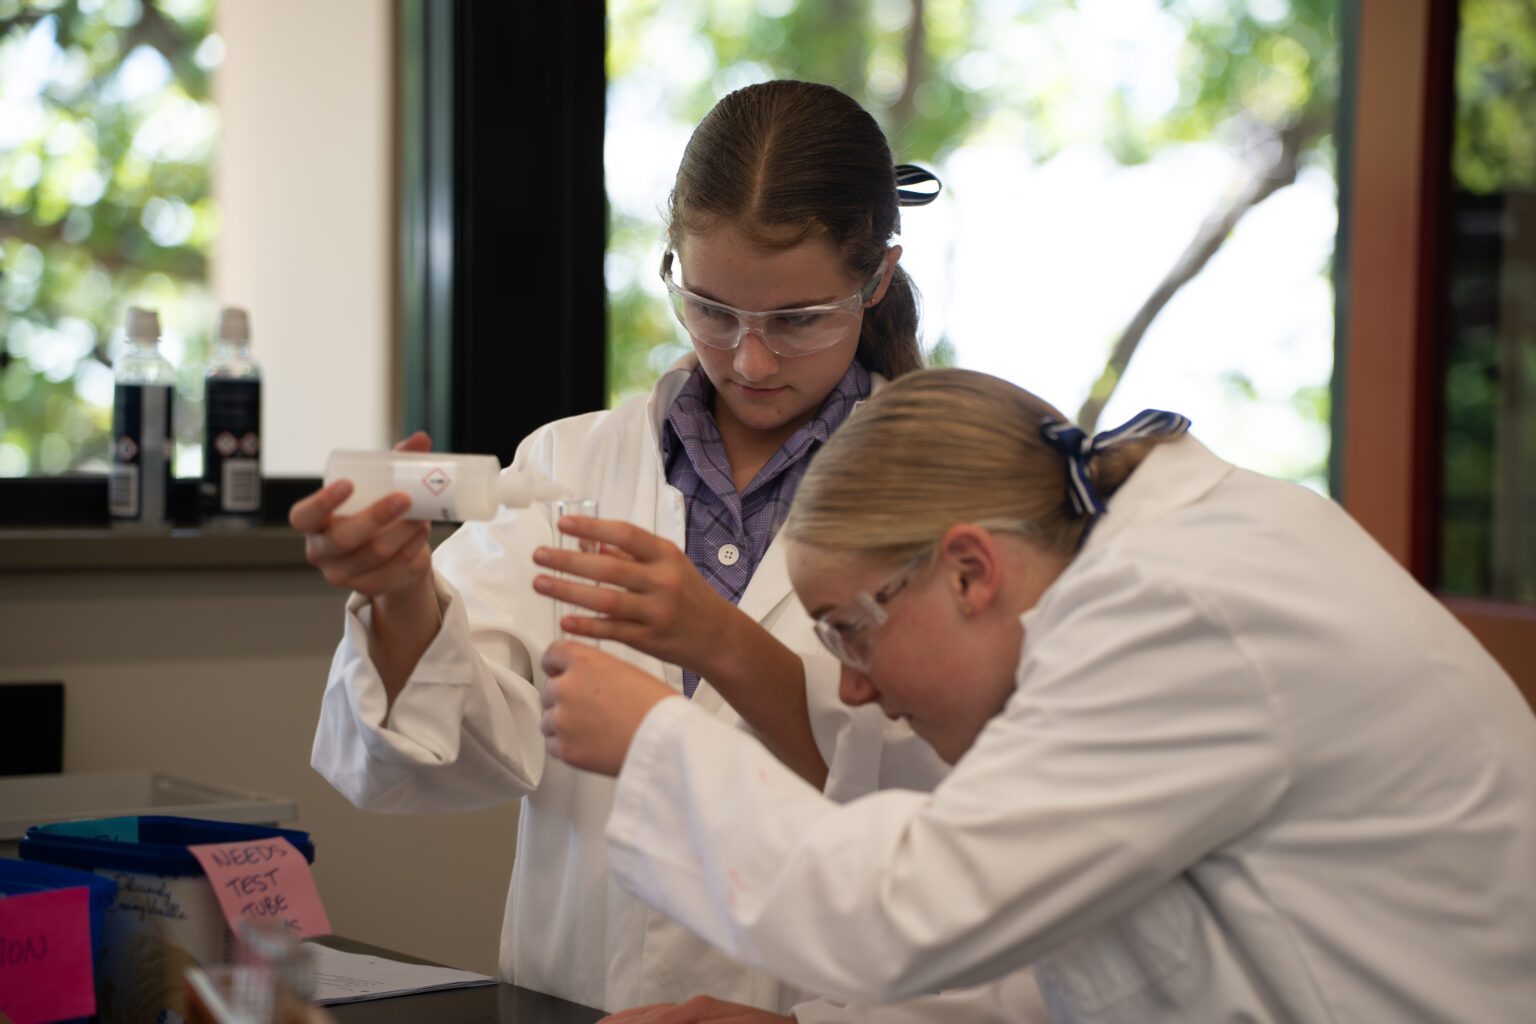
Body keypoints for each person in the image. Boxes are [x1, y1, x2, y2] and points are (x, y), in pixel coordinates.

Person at [540, 368, 1536, 1022]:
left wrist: (654, 737)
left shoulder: (1167, 614)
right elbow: (1062, 941)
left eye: (849, 626)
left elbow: (913, 905)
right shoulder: (1160, 567)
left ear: (969, 569)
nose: (851, 683)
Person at [289, 80, 950, 1014]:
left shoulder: (945, 491)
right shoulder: (571, 464)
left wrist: (716, 639)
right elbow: (442, 753)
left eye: (796, 320)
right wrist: (402, 595)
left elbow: (945, 814)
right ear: (671, 262)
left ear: (876, 277)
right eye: (711, 308)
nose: (749, 360)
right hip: (580, 996)